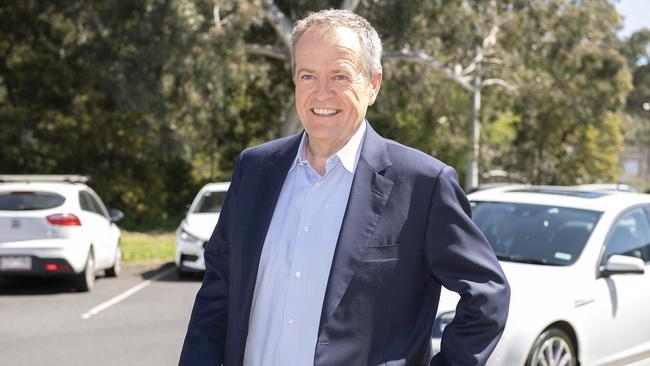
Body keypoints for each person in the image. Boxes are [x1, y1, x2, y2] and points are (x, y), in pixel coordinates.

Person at [179, 9, 509, 366]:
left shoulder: (423, 185)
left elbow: (487, 296)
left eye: (340, 76)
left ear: (373, 85)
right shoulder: (255, 169)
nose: (322, 93)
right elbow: (217, 293)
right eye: (308, 76)